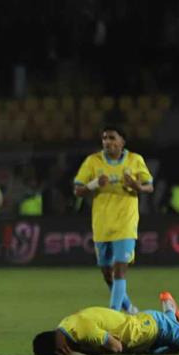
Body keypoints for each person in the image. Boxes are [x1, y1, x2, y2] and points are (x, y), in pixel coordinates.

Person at [72, 126, 153, 313]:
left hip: (125, 223)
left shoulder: (135, 160)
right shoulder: (93, 161)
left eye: (112, 138)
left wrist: (136, 185)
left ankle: (113, 313)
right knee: (107, 274)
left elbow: (149, 186)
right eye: (104, 138)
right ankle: (129, 308)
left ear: (122, 141)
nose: (107, 142)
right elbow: (77, 190)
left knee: (119, 270)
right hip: (102, 224)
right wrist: (94, 184)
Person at [32, 291, 179, 355]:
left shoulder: (84, 331)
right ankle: (168, 306)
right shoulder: (66, 325)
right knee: (172, 350)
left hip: (156, 329)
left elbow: (116, 348)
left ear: (60, 349)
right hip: (146, 335)